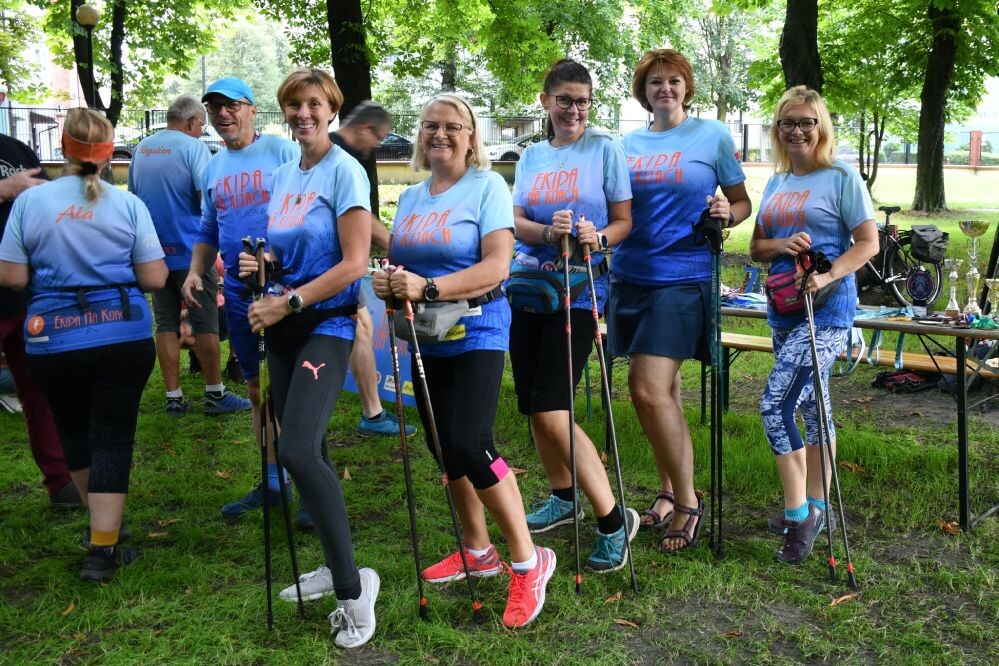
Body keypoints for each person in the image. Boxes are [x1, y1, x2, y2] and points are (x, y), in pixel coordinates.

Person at [373, 94, 555, 629]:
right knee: (443, 446)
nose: (441, 134)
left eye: (454, 126)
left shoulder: (487, 186)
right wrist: (389, 279)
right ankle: (478, 552)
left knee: (472, 444)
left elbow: (497, 267)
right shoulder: (411, 196)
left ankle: (529, 561)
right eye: (431, 125)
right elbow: (403, 262)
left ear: (471, 136)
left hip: (479, 328)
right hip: (429, 334)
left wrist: (427, 287)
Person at [237, 67, 378, 649]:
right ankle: (333, 561)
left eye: (314, 104)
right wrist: (263, 266)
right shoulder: (283, 175)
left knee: (295, 449)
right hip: (285, 327)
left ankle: (354, 590)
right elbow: (290, 252)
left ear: (331, 109)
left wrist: (288, 300)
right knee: (309, 449)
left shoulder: (345, 171)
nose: (303, 114)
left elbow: (354, 263)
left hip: (327, 324)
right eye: (294, 104)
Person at [0, 108, 168, 580]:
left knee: (73, 430)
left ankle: (103, 530)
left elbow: (12, 276)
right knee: (112, 437)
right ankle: (103, 547)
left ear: (64, 148)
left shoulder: (30, 202)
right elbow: (154, 277)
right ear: (110, 152)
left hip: (52, 338)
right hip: (121, 334)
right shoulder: (128, 204)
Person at [612, 49, 752, 552]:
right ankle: (668, 491)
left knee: (646, 388)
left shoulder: (711, 136)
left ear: (686, 87)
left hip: (683, 276)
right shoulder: (626, 144)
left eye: (673, 80)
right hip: (629, 274)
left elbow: (741, 202)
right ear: (643, 92)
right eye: (655, 82)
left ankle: (689, 502)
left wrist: (727, 212)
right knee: (660, 393)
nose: (665, 88)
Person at [509, 59, 639, 572]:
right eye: (564, 99)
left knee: (552, 407)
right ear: (545, 101)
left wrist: (597, 236)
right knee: (531, 405)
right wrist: (547, 232)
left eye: (582, 100)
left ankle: (613, 520)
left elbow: (624, 221)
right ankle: (563, 497)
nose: (574, 109)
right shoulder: (531, 156)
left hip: (581, 295)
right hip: (528, 291)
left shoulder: (605, 149)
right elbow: (516, 219)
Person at [749, 85, 877, 564]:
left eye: (806, 122)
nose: (797, 130)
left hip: (826, 310)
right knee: (813, 406)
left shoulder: (841, 176)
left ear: (820, 126)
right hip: (784, 306)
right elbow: (757, 247)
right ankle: (819, 506)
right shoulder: (777, 182)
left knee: (775, 406)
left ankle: (798, 512)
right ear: (777, 129)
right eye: (788, 123)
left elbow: (868, 243)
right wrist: (782, 246)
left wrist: (827, 274)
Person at [180, 77, 301, 520]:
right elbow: (208, 229)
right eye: (215, 108)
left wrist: (278, 258)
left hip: (288, 286)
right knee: (256, 386)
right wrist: (195, 271)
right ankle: (273, 481)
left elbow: (307, 210)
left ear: (252, 109)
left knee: (297, 386)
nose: (223, 114)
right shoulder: (213, 167)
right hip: (238, 290)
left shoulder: (283, 152)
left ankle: (309, 478)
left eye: (232, 106)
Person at [128, 94, 250, 417]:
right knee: (206, 321)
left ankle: (174, 397)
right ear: (192, 122)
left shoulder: (141, 149)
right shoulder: (194, 149)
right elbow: (206, 200)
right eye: (202, 125)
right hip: (191, 253)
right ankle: (215, 393)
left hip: (153, 254)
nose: (201, 131)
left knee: (165, 323)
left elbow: (134, 201)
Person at [0, 132, 82, 508]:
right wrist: (5, 189)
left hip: (27, 295)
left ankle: (61, 482)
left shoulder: (16, 148)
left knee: (42, 390)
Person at [330, 100, 415, 438]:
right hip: (335, 267)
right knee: (359, 330)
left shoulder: (330, 152)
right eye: (377, 138)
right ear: (365, 128)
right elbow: (361, 218)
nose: (375, 146)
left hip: (334, 266)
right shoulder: (343, 160)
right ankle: (372, 414)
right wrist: (400, 247)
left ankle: (372, 412)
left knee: (361, 328)